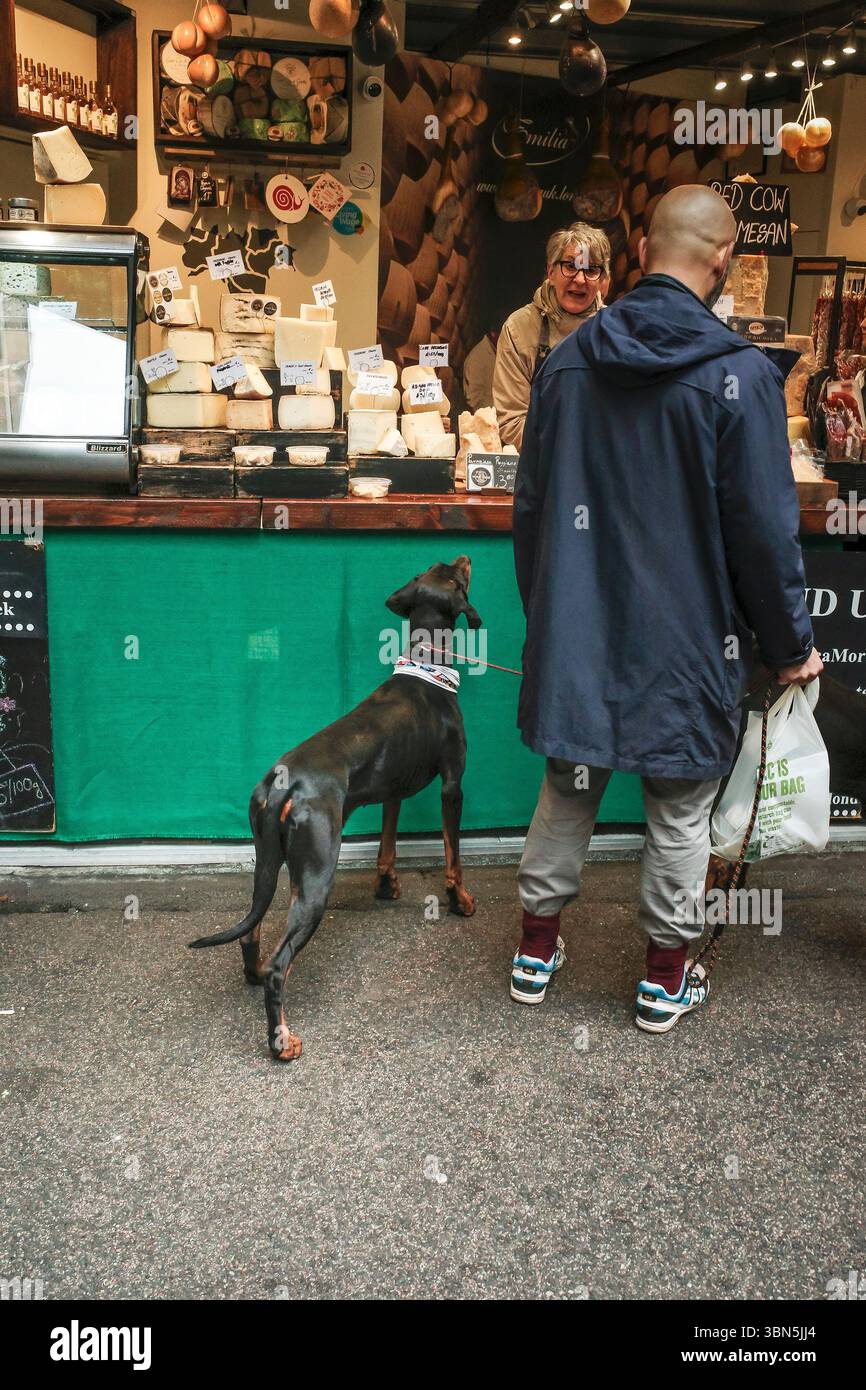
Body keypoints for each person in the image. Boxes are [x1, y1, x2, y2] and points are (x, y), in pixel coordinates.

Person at [510, 184, 822, 1033]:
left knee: (568, 785)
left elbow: (531, 507)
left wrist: (549, 613)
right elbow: (764, 530)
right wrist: (791, 643)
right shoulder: (743, 374)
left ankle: (535, 951)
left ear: (640, 253)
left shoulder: (566, 362)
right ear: (724, 262)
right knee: (680, 809)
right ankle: (662, 978)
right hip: (691, 639)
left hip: (580, 626)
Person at [492, 223, 611, 450]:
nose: (579, 279)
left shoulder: (615, 332)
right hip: (541, 469)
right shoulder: (519, 329)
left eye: (591, 270)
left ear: (602, 280)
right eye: (570, 266)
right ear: (550, 271)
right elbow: (511, 422)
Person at [463, 327, 500, 412]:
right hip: (489, 420)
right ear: (493, 334)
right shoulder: (475, 360)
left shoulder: (498, 351)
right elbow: (474, 402)